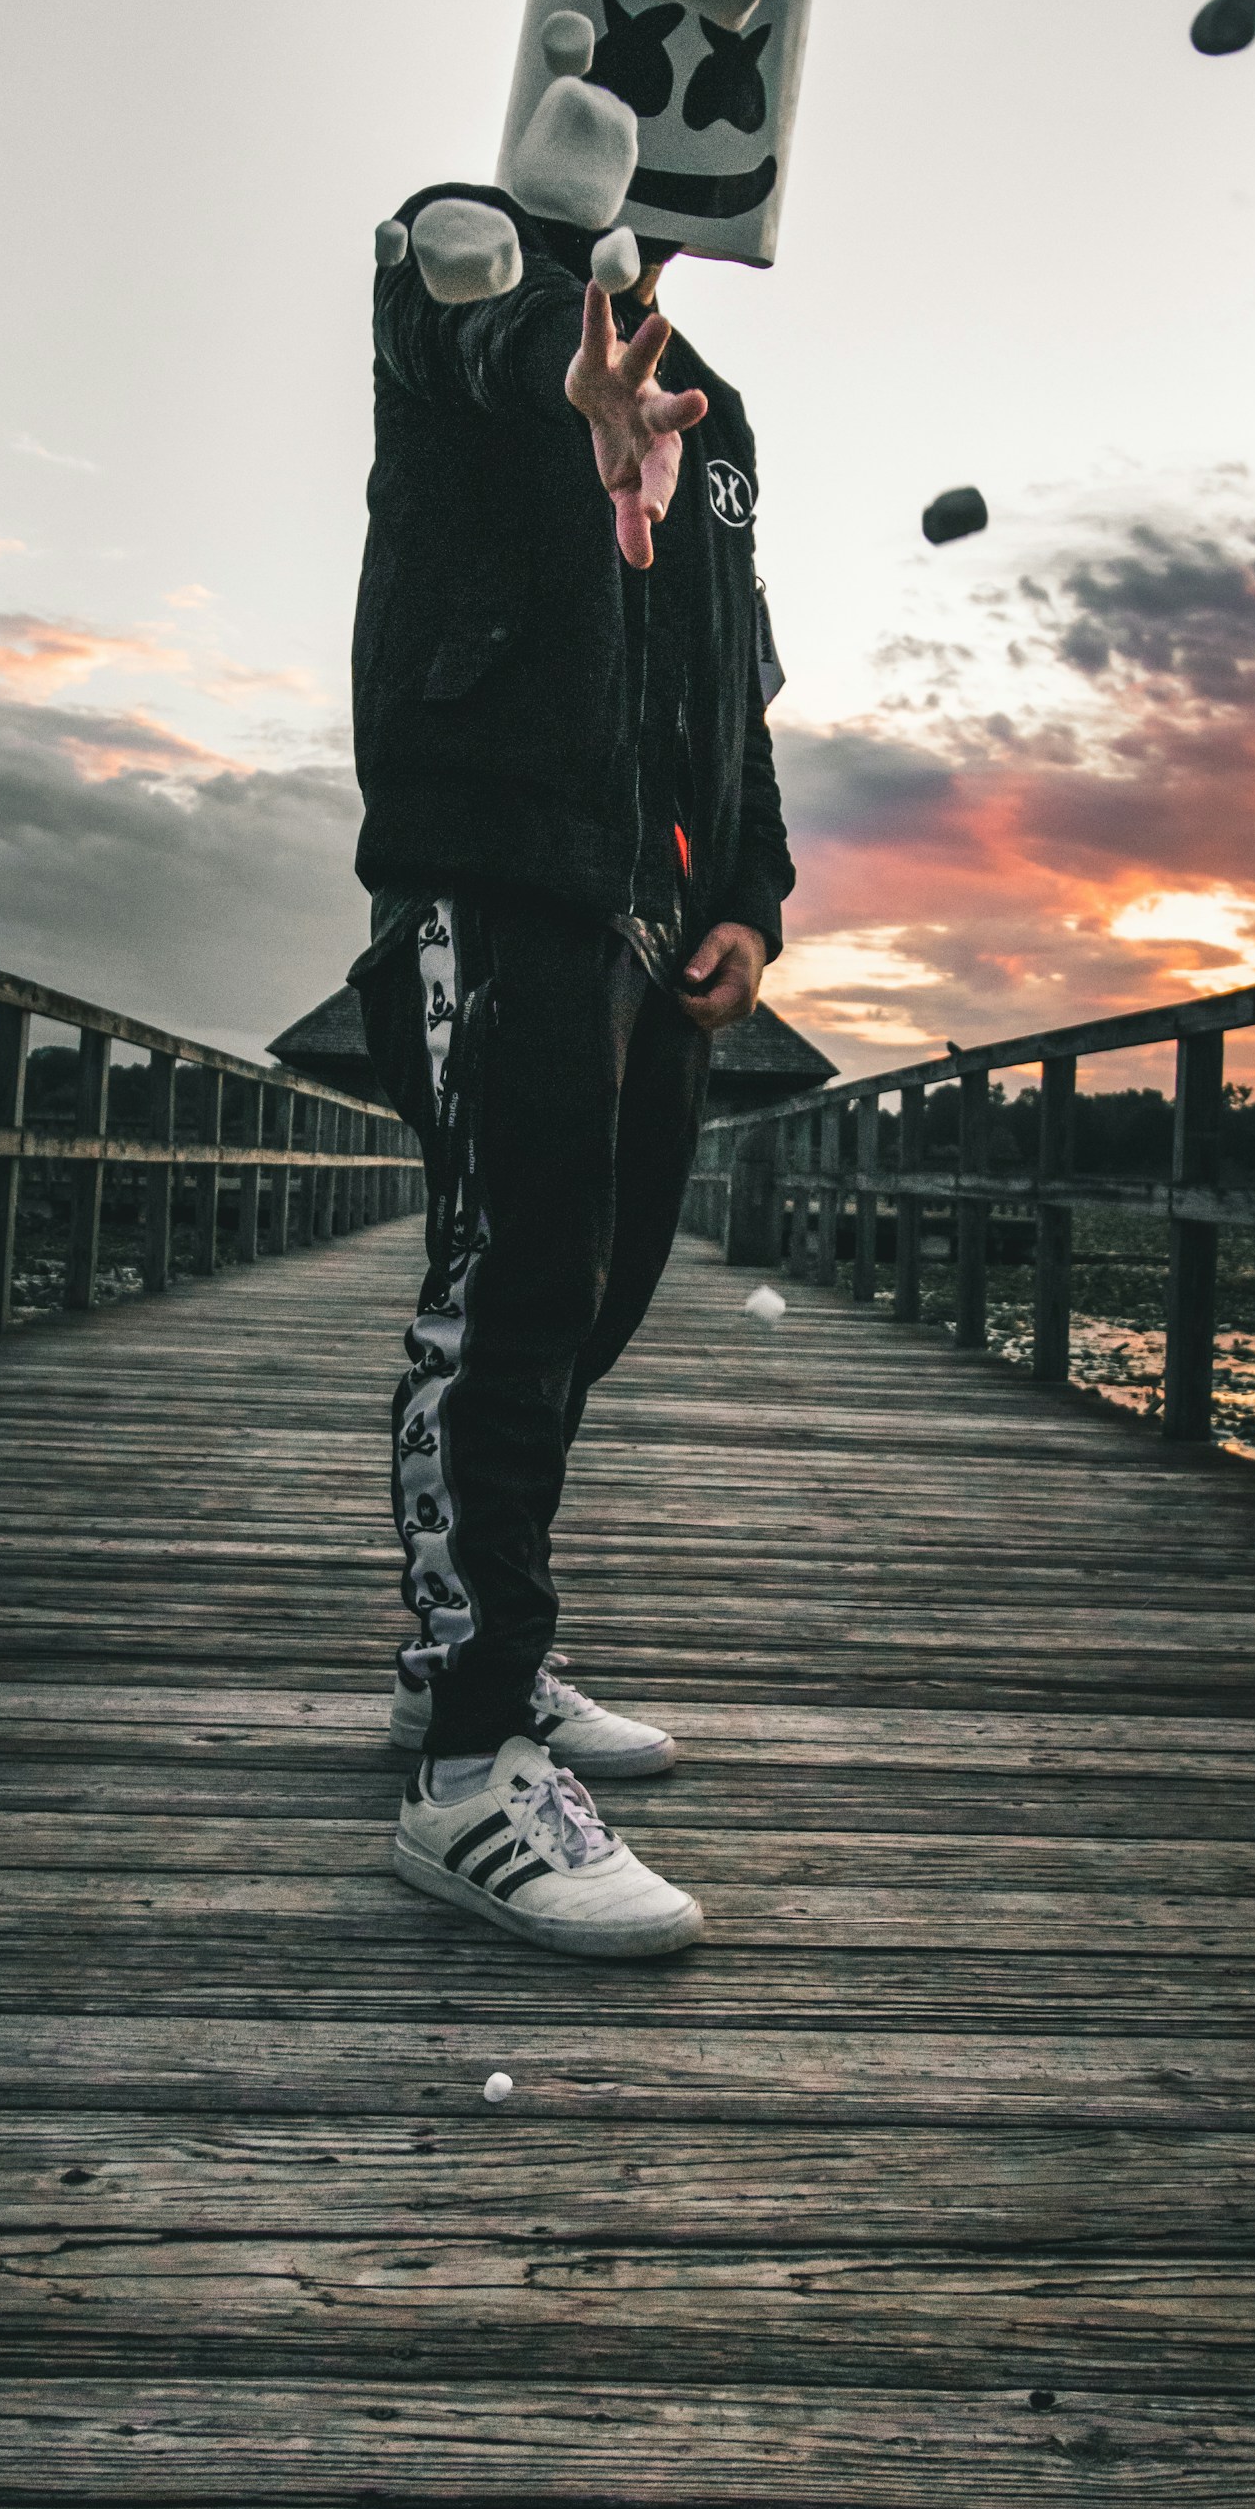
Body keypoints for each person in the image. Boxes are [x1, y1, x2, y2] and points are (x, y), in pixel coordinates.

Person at [348, 188, 796, 1962]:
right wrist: (567, 370)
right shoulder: (450, 272)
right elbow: (480, 319)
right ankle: (469, 1772)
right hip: (497, 870)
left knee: (592, 1293)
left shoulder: (720, 418)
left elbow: (733, 686)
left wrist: (753, 900)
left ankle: (487, 1655)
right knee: (509, 1286)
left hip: (650, 915)